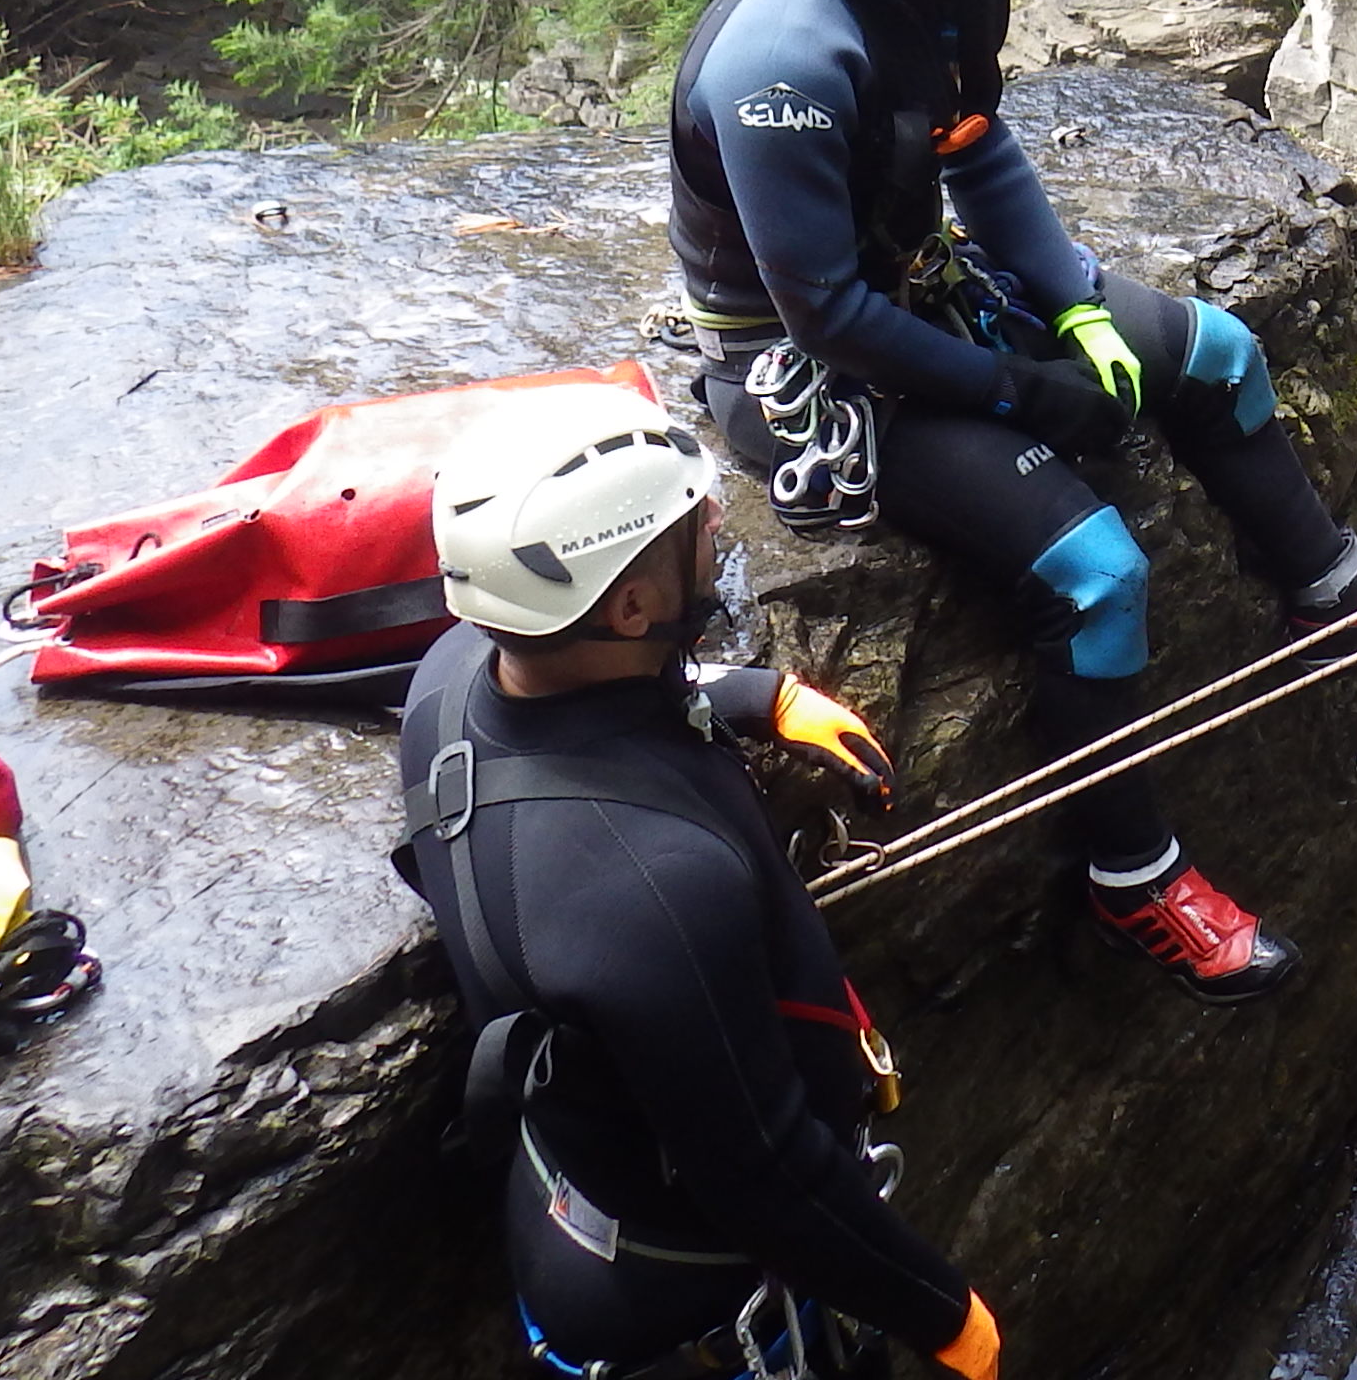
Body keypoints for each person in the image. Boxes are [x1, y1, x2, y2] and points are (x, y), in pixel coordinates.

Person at [665, 0, 1357, 1001]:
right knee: (1098, 570)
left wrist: (1079, 307)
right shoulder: (785, 54)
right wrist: (1025, 389)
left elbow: (974, 153)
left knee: (1217, 352)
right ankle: (1133, 879)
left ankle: (1327, 588)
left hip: (924, 298)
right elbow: (826, 316)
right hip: (806, 376)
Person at [395, 381, 997, 1380]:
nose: (717, 518)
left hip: (580, 1193)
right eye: (691, 521)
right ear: (631, 603)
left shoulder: (451, 676)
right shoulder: (652, 887)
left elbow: (596, 690)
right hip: (698, 1290)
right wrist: (944, 1314)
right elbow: (766, 1176)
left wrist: (759, 697)